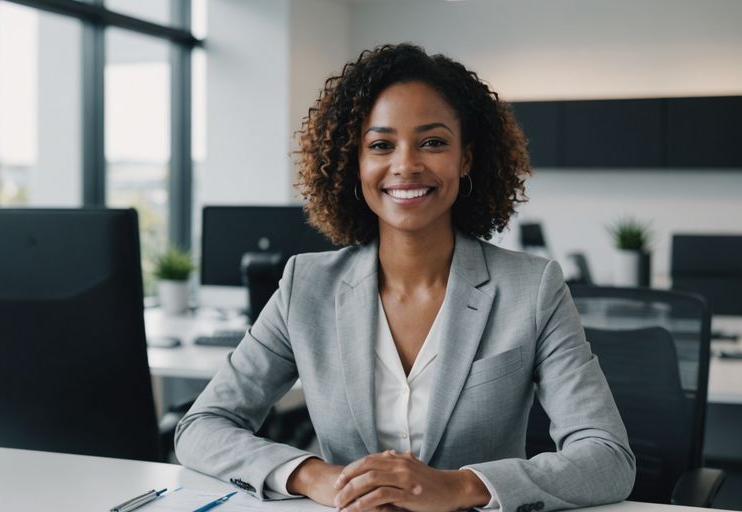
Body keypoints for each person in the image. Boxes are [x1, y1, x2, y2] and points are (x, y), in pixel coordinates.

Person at [174, 43, 635, 512]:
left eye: (433, 142)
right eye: (381, 145)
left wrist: (458, 486)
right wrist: (313, 476)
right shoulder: (306, 285)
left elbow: (607, 458)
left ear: (466, 158)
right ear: (355, 162)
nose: (406, 164)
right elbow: (203, 426)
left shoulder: (532, 289)